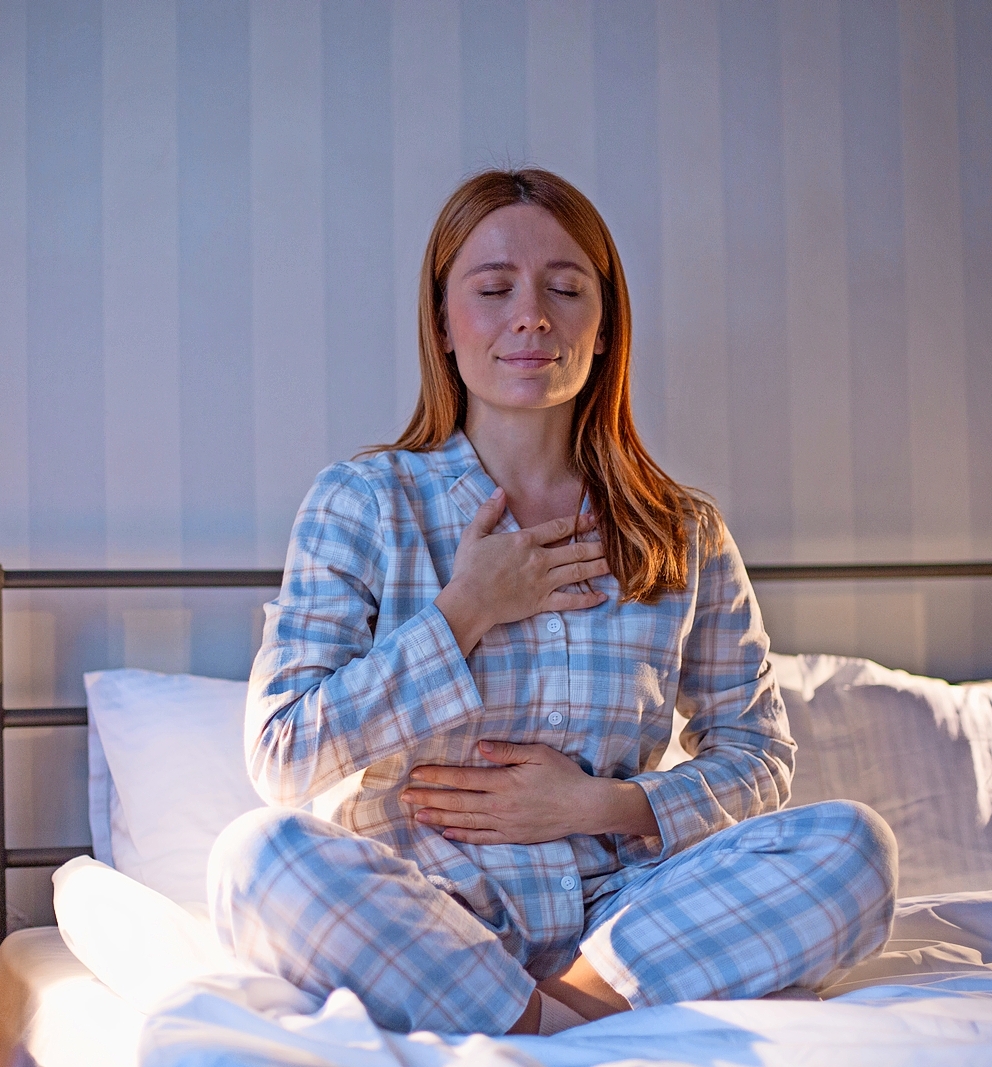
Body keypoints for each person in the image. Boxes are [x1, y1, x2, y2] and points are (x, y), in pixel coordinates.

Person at [209, 168, 896, 1037]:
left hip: (627, 915)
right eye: (494, 289)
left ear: (604, 328)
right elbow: (281, 752)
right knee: (255, 859)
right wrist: (464, 613)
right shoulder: (363, 501)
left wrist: (597, 806)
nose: (531, 314)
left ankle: (547, 1016)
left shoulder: (681, 530)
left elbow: (759, 753)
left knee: (853, 846)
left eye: (565, 288)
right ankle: (558, 1029)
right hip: (431, 907)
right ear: (445, 325)